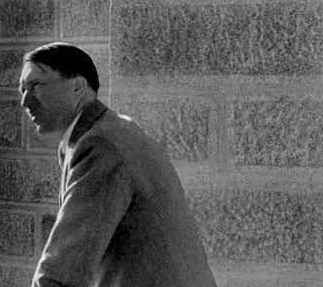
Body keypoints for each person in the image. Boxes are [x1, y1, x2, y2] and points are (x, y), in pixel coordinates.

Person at [18, 43, 217, 287]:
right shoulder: (114, 131)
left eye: (36, 86)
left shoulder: (99, 147)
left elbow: (62, 273)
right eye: (22, 89)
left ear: (78, 87)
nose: (25, 101)